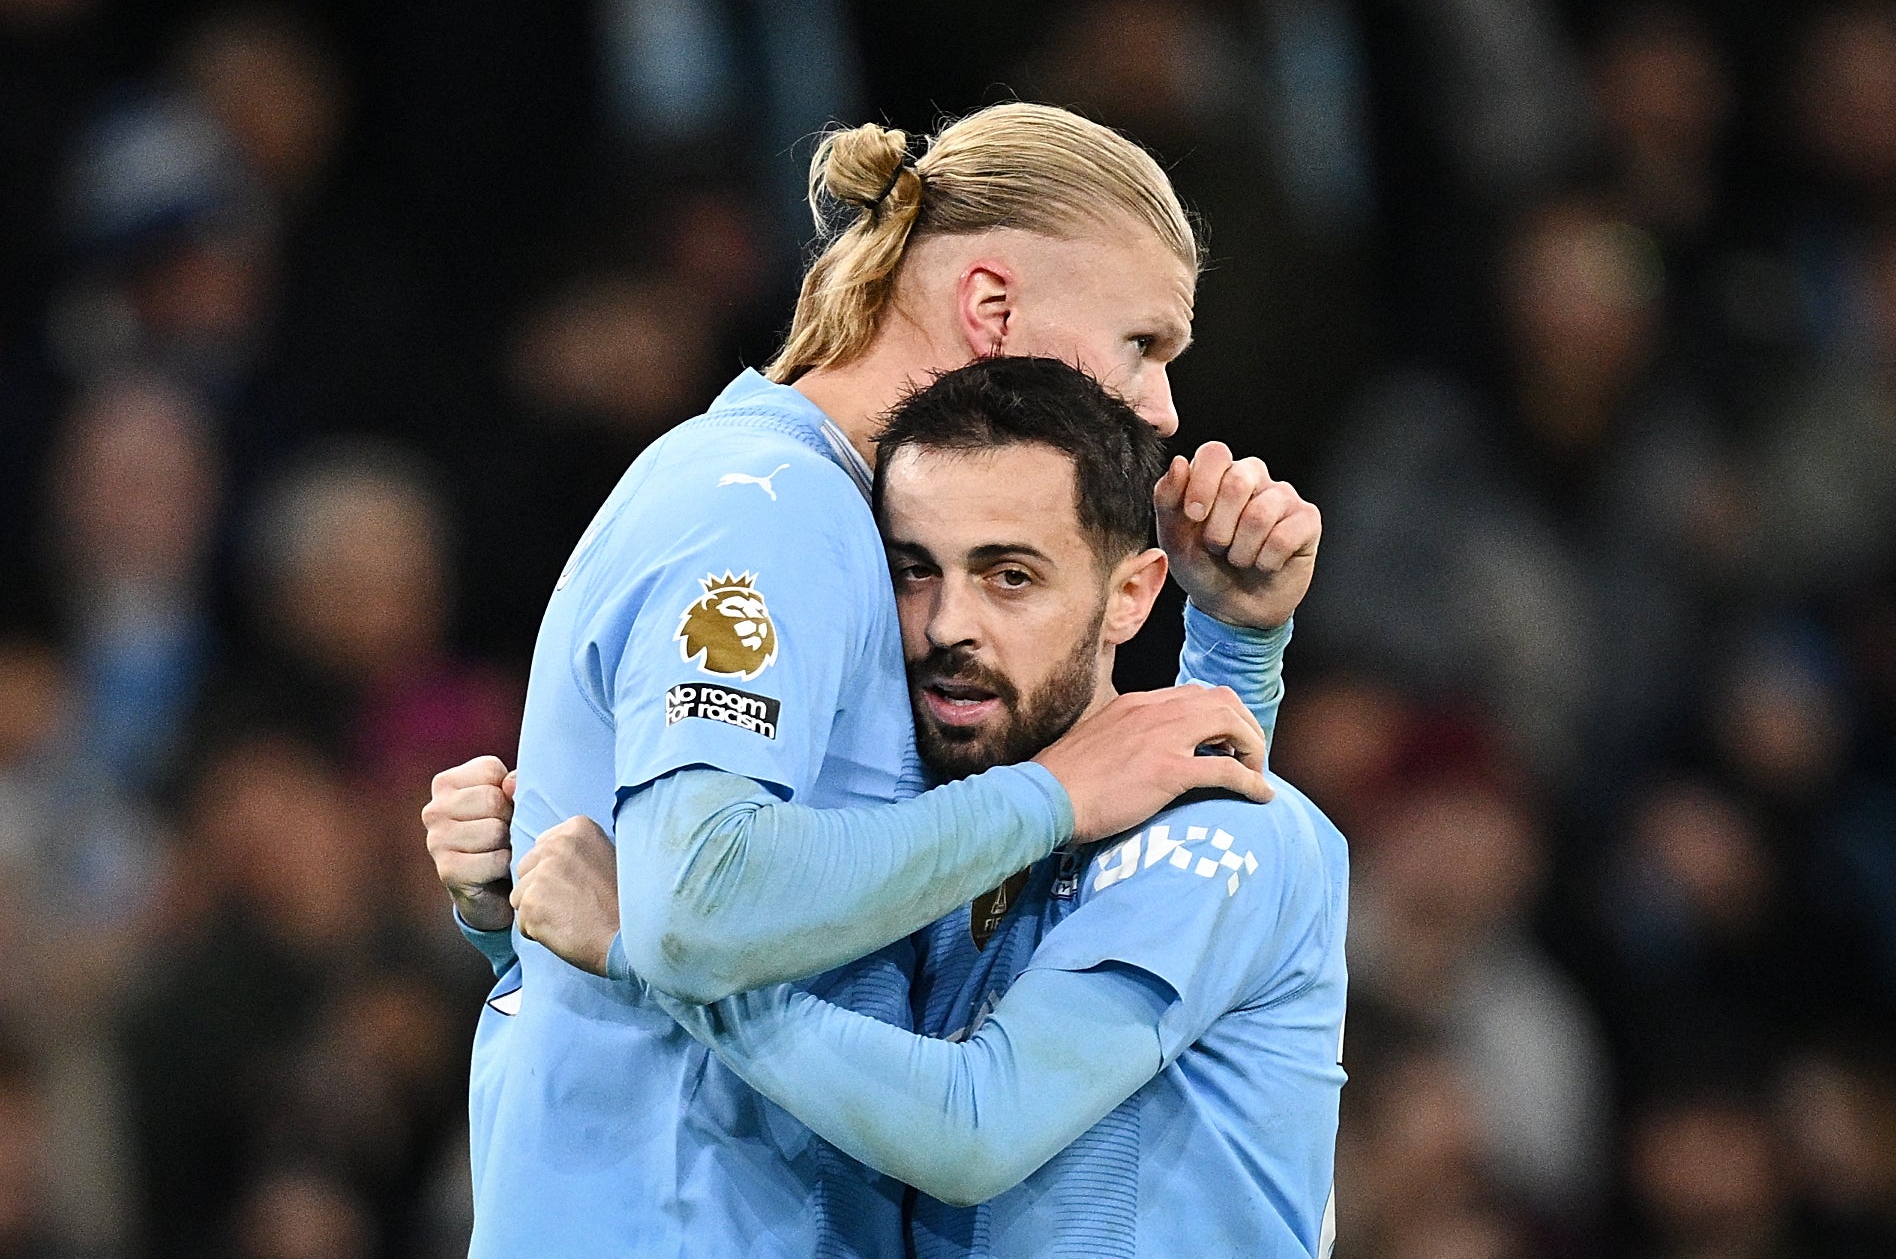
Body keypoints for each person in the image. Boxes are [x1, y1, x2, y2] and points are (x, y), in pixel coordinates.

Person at [424, 103, 1322, 1258]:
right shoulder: (767, 509)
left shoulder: (853, 530)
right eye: (1143, 345)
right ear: (993, 311)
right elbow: (699, 901)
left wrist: (1234, 645)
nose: (1162, 409)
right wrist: (1053, 794)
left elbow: (1126, 907)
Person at [510, 356, 1348, 1258]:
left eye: (1010, 577)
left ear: (1132, 595)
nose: (949, 624)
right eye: (915, 572)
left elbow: (975, 1129)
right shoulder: (946, 853)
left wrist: (645, 951)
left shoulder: (1230, 833)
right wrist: (504, 908)